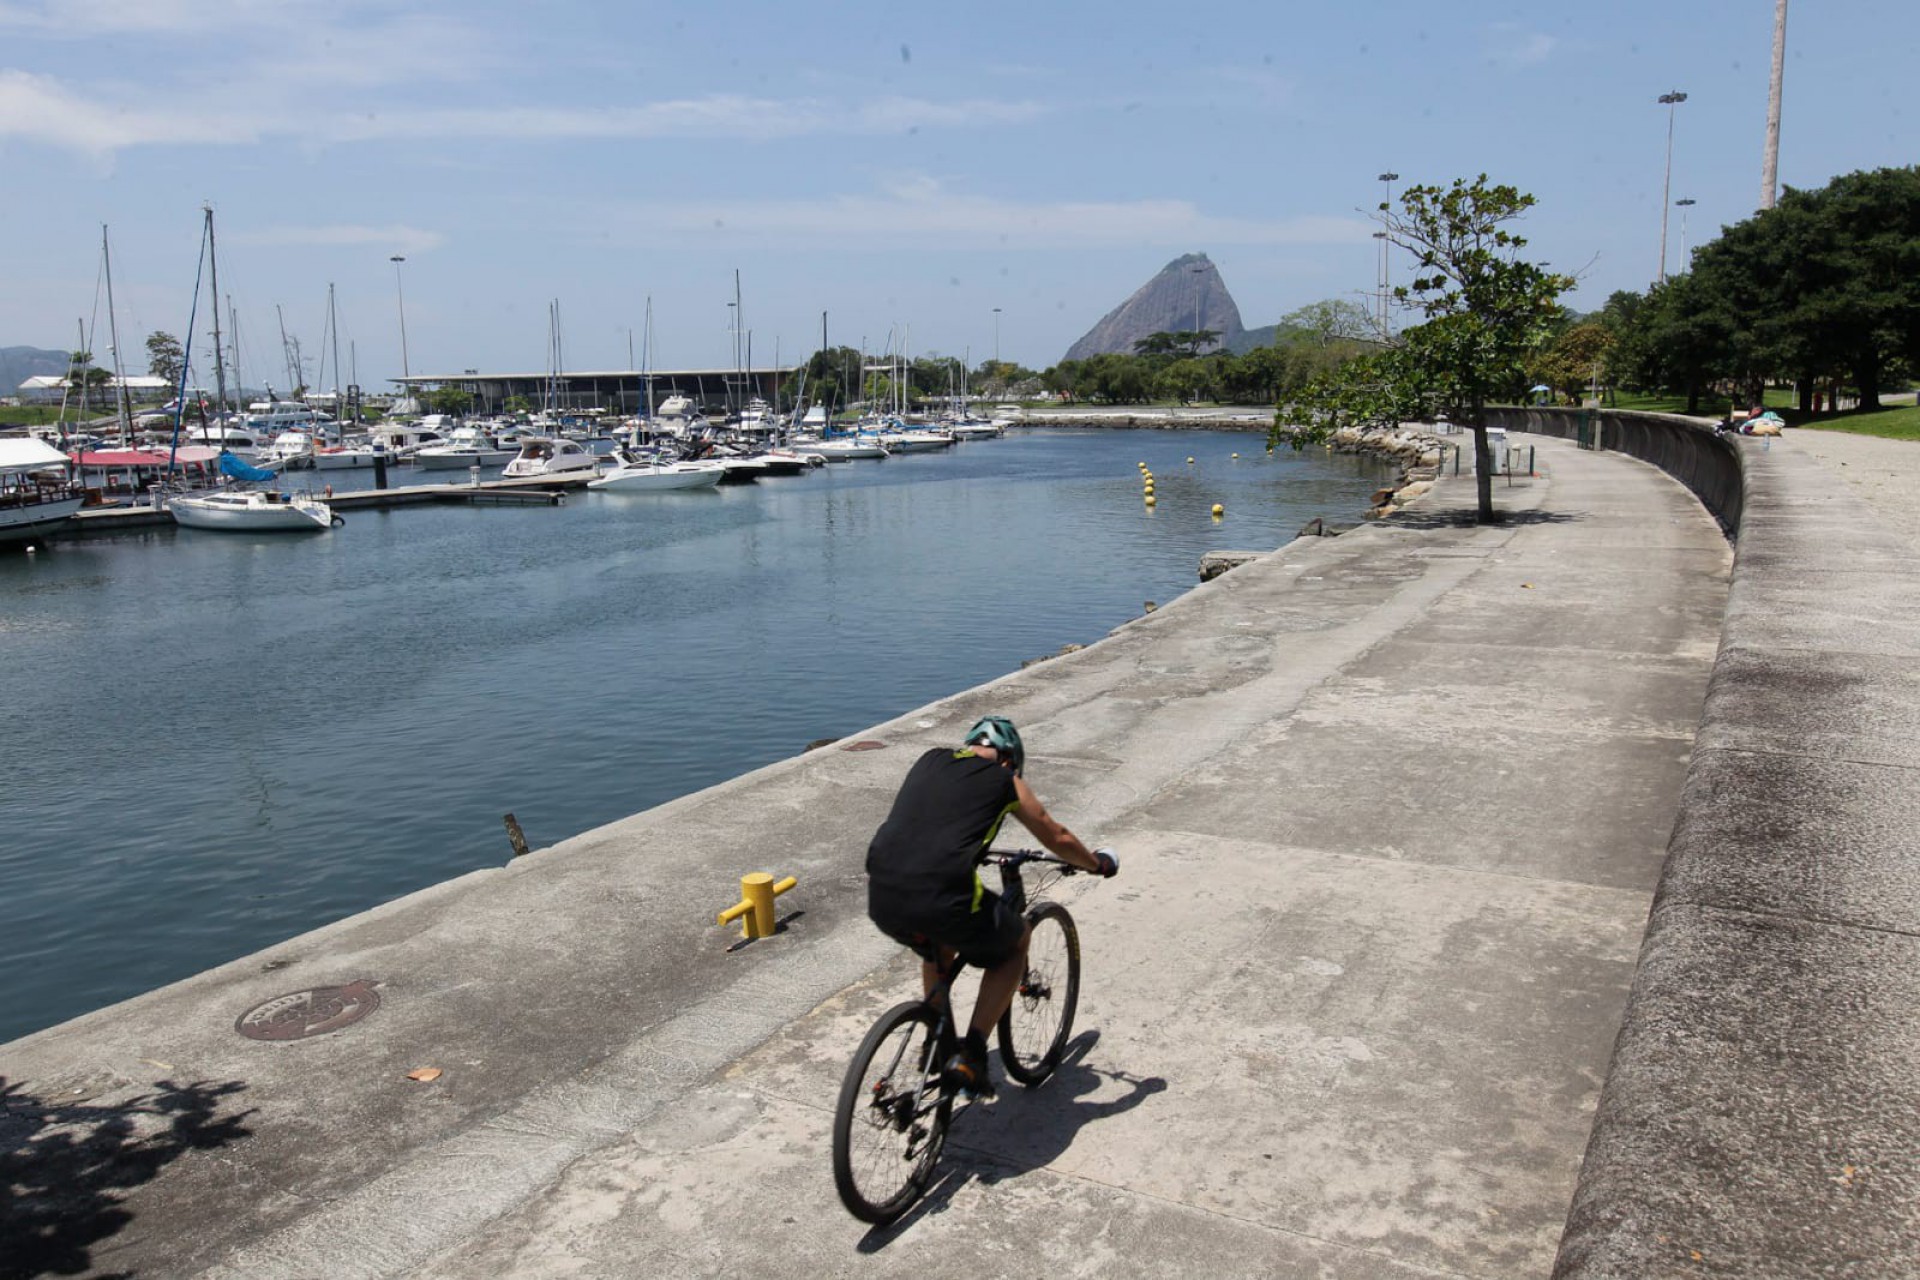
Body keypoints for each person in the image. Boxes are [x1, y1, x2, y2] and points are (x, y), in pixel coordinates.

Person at [865, 715, 1116, 1097]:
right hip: (942, 895)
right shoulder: (1005, 781)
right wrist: (1096, 863)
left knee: (938, 945)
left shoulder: (929, 759)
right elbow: (1057, 834)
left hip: (882, 893)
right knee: (1016, 941)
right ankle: (972, 1053)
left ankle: (937, 1040)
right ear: (1009, 759)